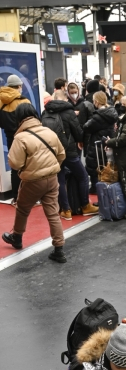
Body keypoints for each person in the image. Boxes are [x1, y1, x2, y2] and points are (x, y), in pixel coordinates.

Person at [1, 103, 67, 262]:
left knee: (23, 209)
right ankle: (59, 250)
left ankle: (17, 238)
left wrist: (27, 169)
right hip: (52, 179)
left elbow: (15, 163)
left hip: (32, 181)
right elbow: (61, 154)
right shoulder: (48, 132)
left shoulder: (20, 137)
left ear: (19, 118)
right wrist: (51, 167)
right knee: (53, 213)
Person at [43, 91, 98, 219]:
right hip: (69, 151)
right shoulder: (68, 112)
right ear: (65, 99)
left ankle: (66, 210)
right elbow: (78, 132)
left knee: (60, 180)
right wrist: (81, 142)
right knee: (83, 176)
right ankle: (85, 206)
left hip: (53, 152)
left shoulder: (45, 112)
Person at [0, 74, 31, 202]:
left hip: (9, 137)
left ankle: (16, 197)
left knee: (15, 167)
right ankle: (29, 196)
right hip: (24, 137)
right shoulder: (24, 101)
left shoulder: (1, 100)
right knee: (28, 166)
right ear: (19, 86)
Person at [83, 91, 118, 193]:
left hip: (97, 145)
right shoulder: (112, 112)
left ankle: (96, 189)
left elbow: (86, 127)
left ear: (97, 102)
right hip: (108, 143)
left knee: (96, 168)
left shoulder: (98, 116)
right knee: (108, 167)